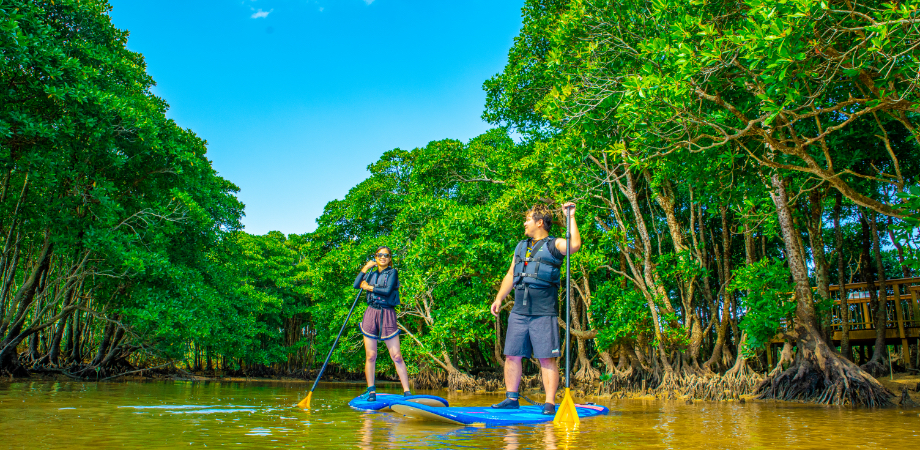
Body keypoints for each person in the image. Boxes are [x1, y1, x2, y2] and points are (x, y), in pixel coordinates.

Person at [490, 202, 581, 415]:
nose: (524, 222)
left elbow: (574, 244)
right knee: (512, 354)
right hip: (519, 311)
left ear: (539, 222)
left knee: (546, 357)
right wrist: (499, 297)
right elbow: (511, 274)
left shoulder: (554, 244)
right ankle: (511, 398)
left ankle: (549, 403)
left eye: (528, 219)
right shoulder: (521, 246)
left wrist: (570, 217)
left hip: (543, 311)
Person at [353, 246, 411, 401]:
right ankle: (371, 391)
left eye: (386, 255)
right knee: (371, 355)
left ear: (390, 258)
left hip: (387, 313)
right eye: (380, 255)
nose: (383, 257)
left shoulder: (392, 272)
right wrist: (365, 268)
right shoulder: (371, 273)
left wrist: (369, 287)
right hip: (371, 313)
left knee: (396, 355)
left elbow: (386, 290)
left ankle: (407, 392)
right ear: (376, 257)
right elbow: (356, 284)